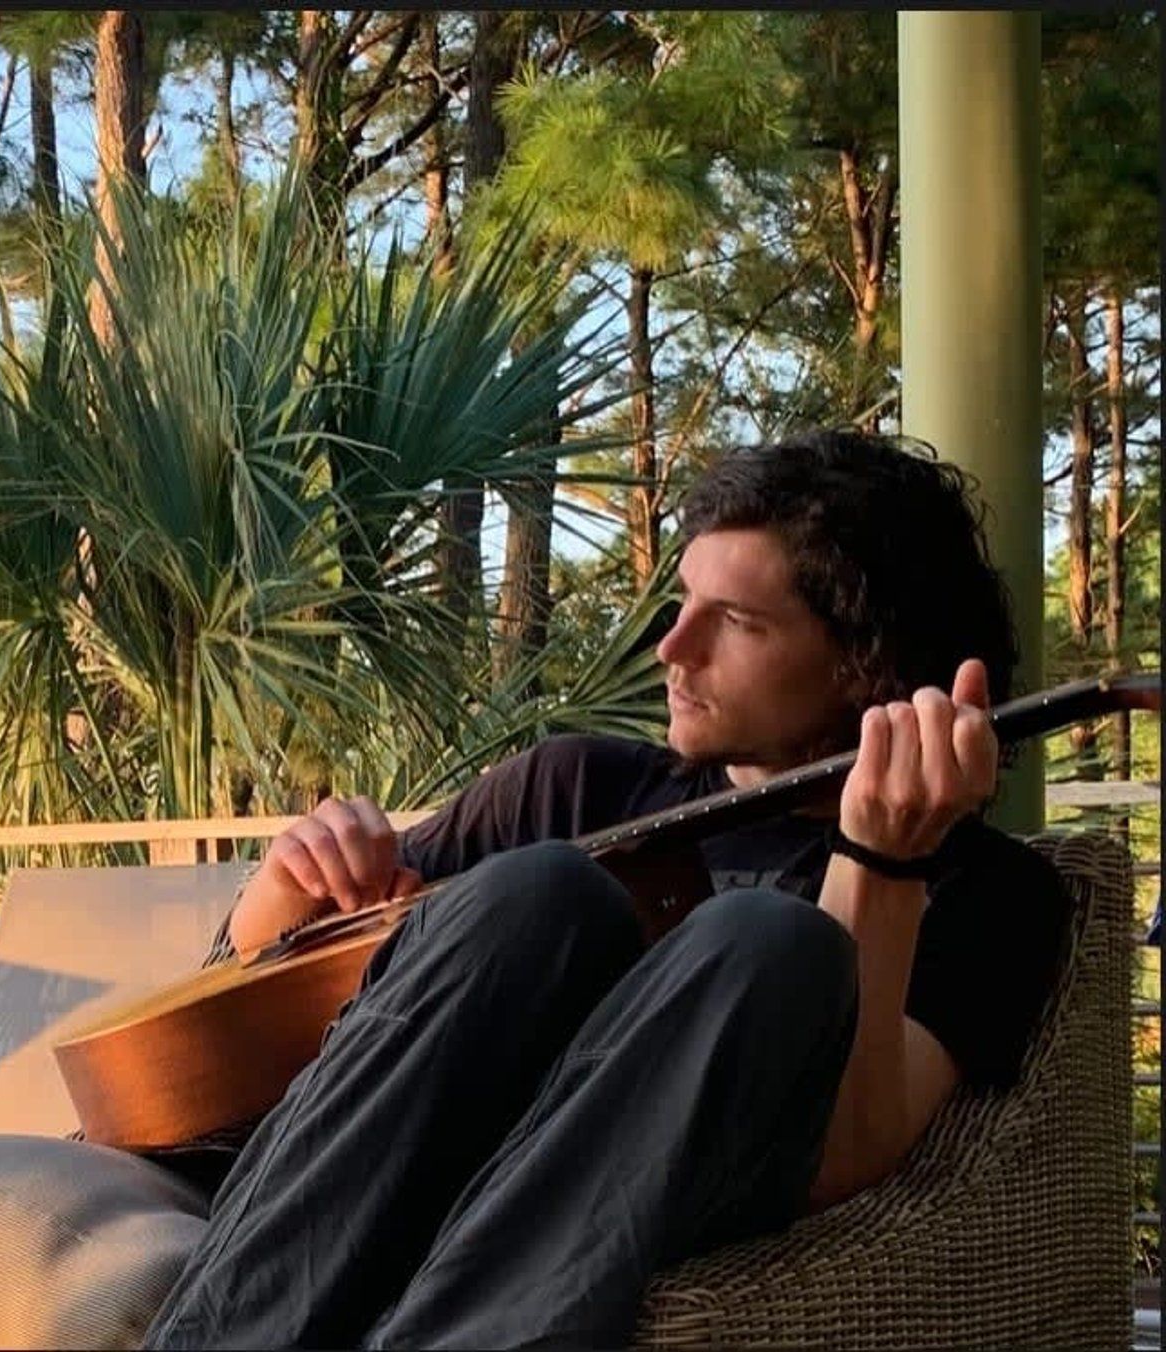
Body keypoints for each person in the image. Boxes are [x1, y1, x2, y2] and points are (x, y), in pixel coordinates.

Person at [142, 428, 1071, 1351]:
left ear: (865, 665)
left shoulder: (993, 891)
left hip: (603, 1238)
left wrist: (881, 864)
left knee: (772, 943)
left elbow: (845, 1160)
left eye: (736, 622)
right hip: (357, 1208)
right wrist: (287, 888)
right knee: (542, 893)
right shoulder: (575, 788)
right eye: (681, 603)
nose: (672, 646)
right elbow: (301, 1014)